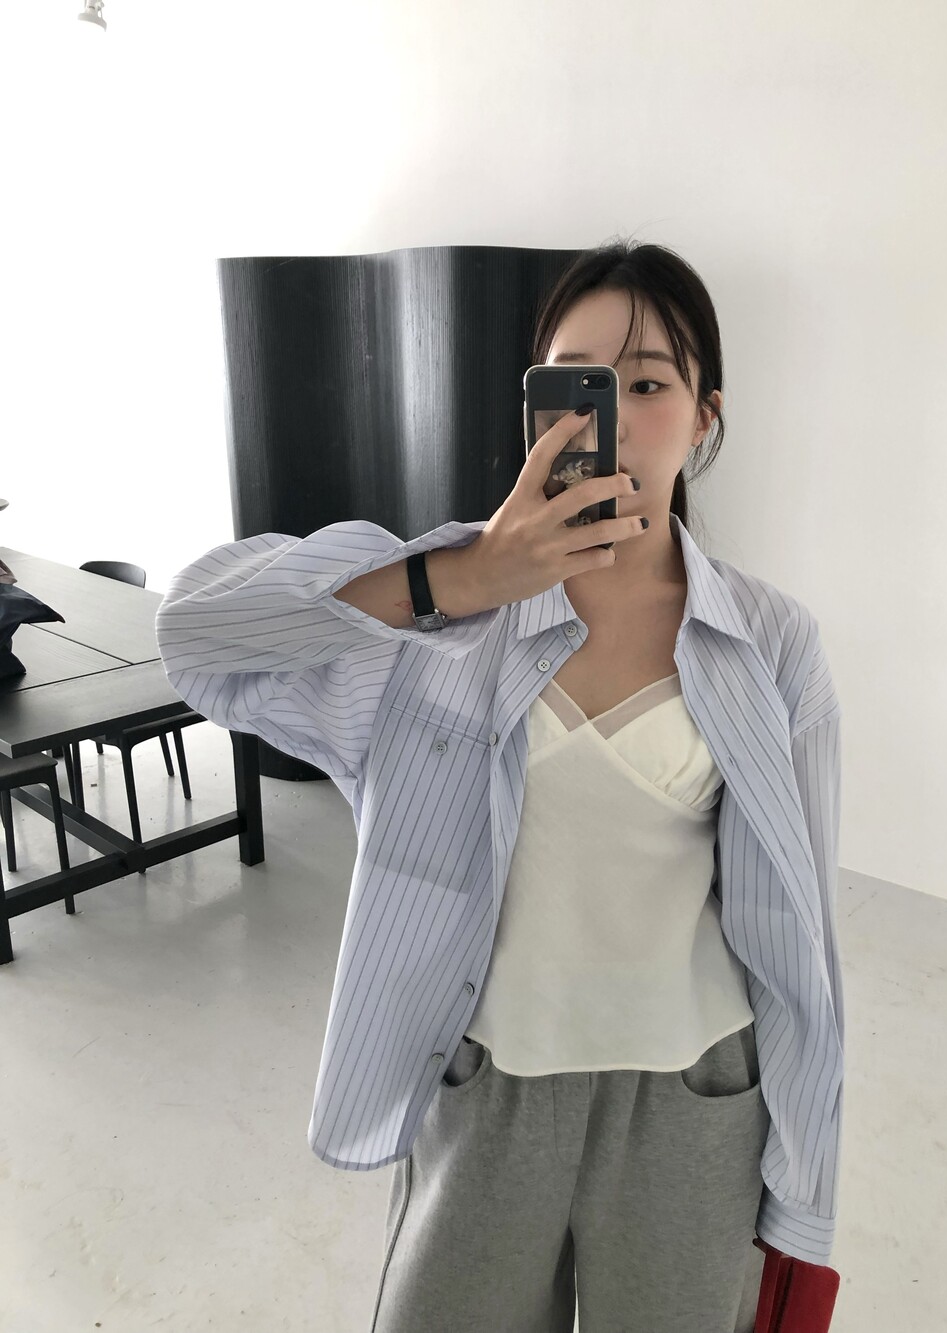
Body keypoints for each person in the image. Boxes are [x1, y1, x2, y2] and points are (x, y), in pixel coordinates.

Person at [155, 238, 845, 1333]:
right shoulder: (437, 618)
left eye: (648, 385)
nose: (608, 419)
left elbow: (802, 939)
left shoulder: (771, 642)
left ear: (705, 418)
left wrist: (805, 1200)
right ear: (534, 411)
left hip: (693, 1098)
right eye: (574, 385)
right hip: (487, 1086)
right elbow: (195, 635)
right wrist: (464, 575)